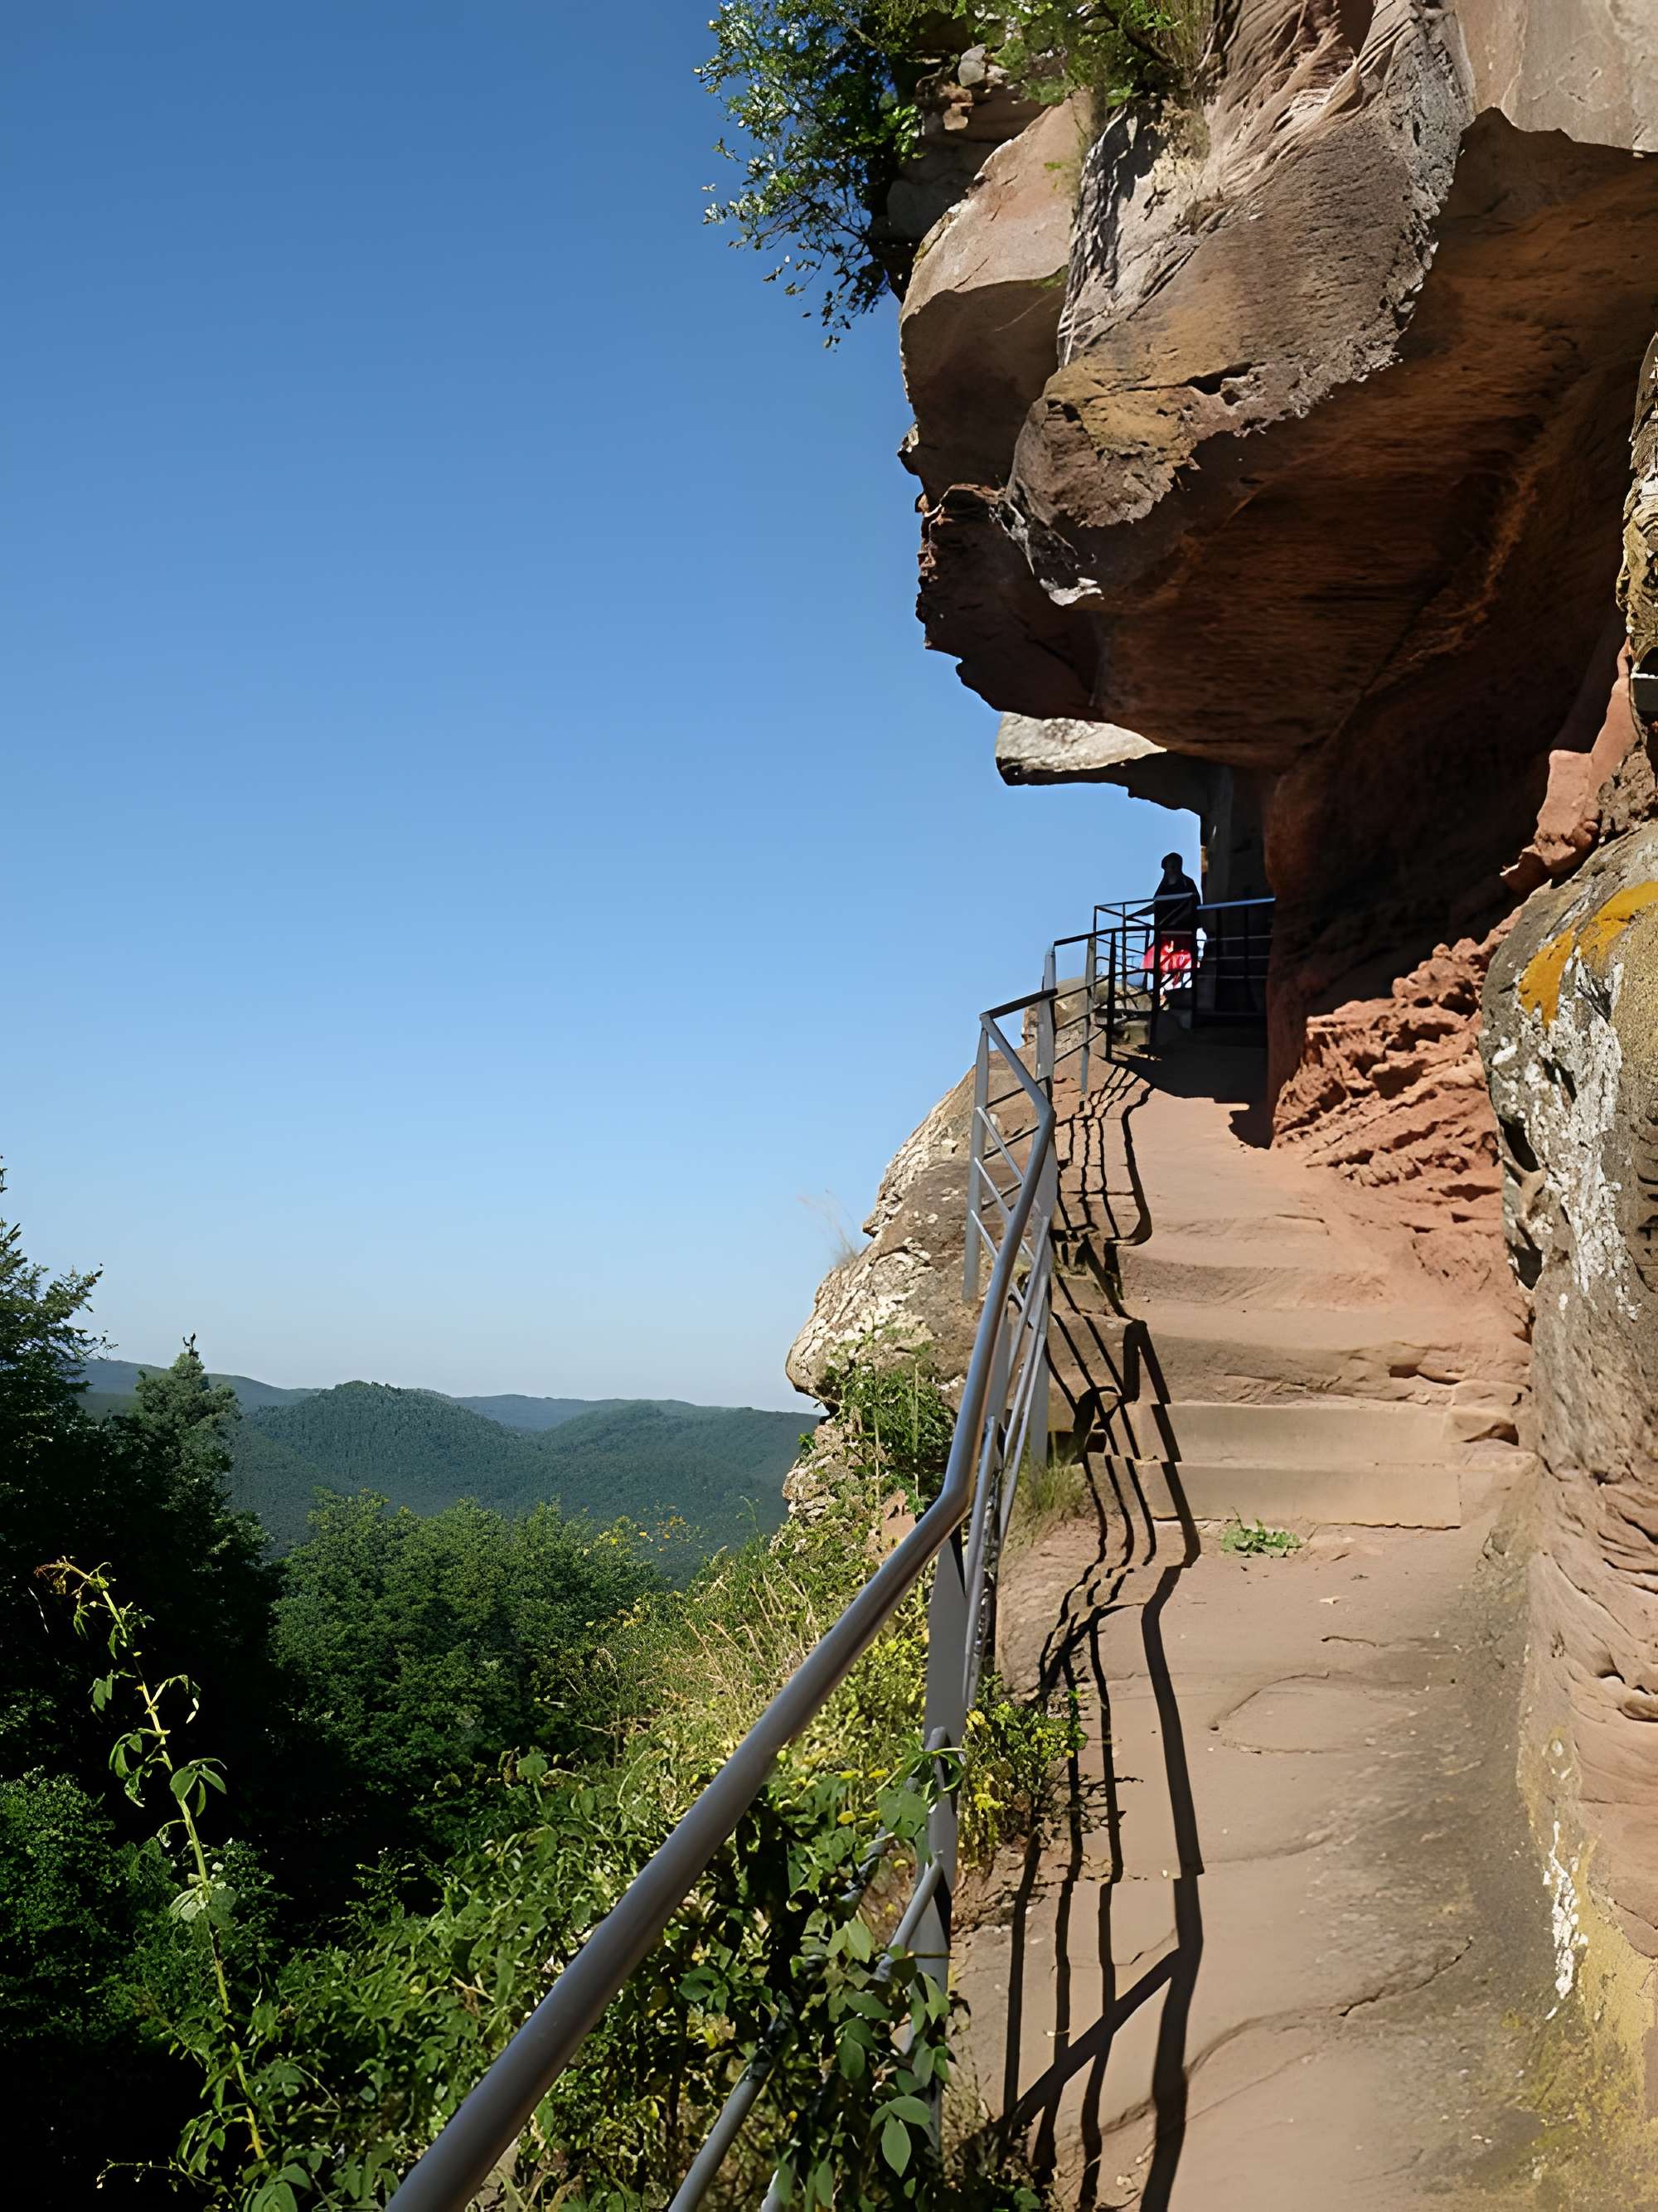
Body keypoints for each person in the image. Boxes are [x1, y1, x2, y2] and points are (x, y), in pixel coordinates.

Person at [1142, 851, 1200, 996]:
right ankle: (1158, 990)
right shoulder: (1163, 887)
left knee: (1182, 960)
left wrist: (1178, 919)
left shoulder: (1188, 883)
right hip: (1164, 932)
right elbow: (1155, 905)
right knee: (1159, 960)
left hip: (1183, 931)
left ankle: (1185, 986)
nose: (1172, 869)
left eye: (1175, 866)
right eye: (1170, 866)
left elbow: (1193, 905)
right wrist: (1134, 915)